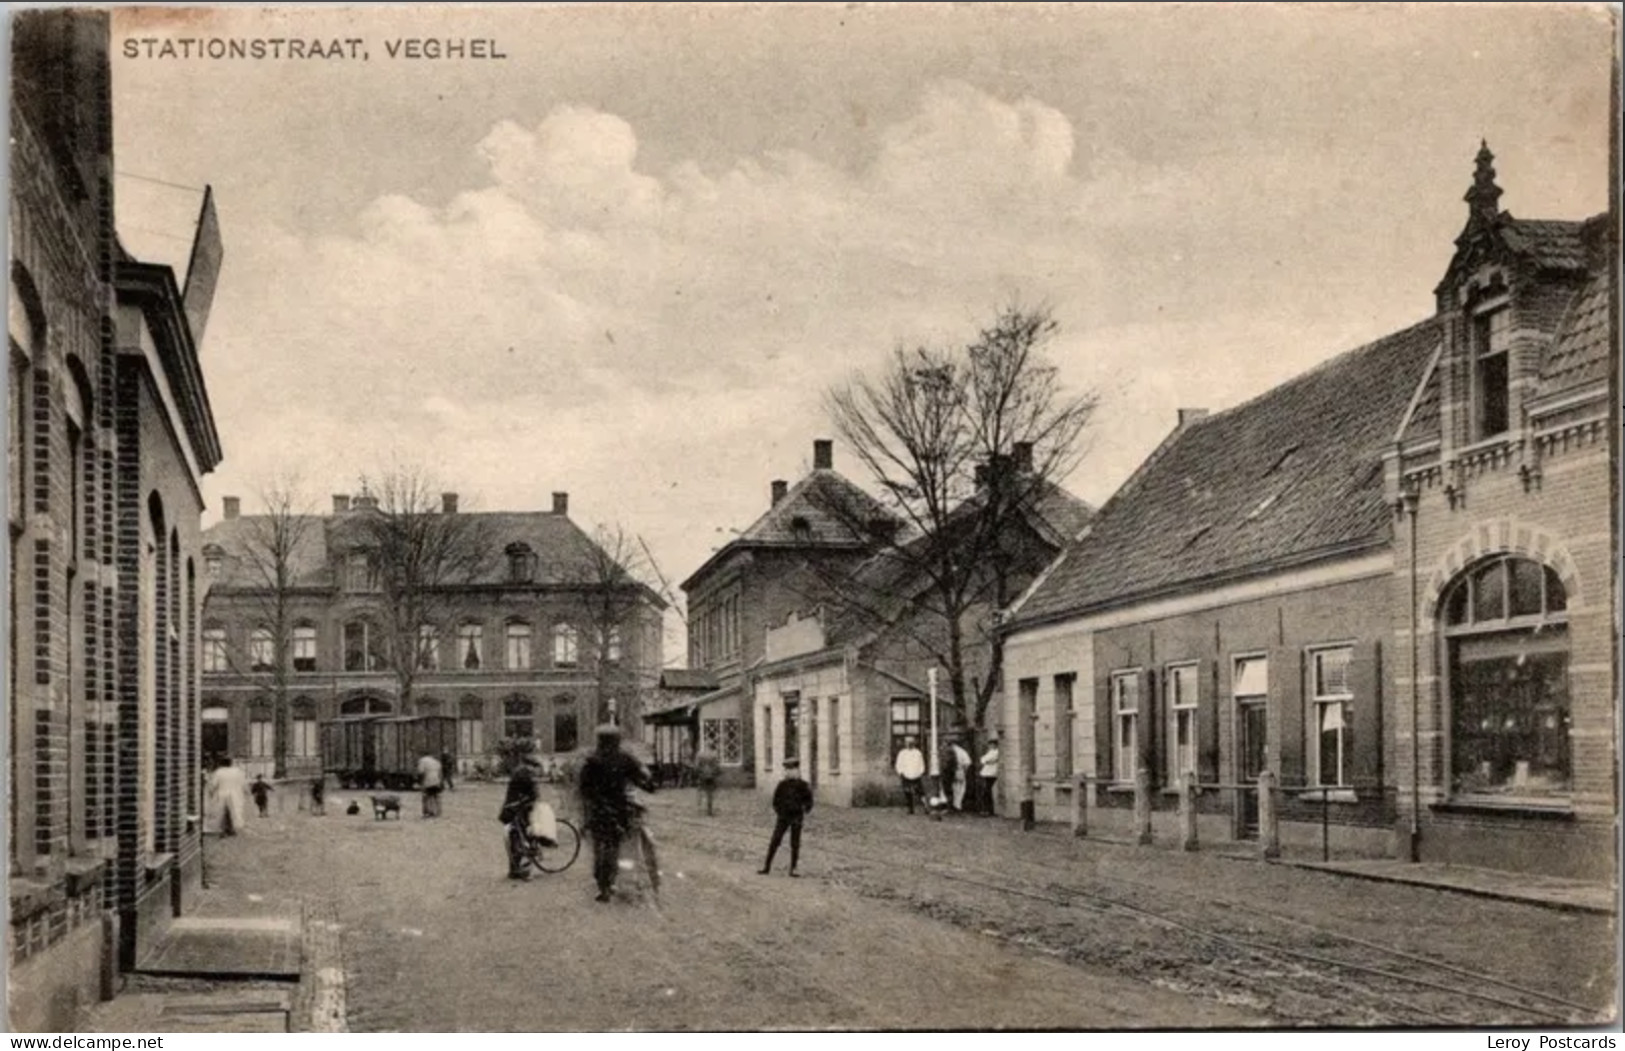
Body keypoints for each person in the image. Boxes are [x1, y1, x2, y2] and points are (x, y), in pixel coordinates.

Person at [577, 724, 656, 902]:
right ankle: (611, 880)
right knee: (613, 846)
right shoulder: (625, 759)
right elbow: (643, 780)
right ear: (617, 740)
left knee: (599, 847)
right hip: (618, 809)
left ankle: (602, 884)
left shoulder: (591, 760)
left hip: (598, 810)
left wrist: (587, 809)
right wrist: (649, 782)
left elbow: (584, 790)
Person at [759, 758, 814, 877]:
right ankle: (766, 866)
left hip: (796, 817)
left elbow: (809, 801)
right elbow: (775, 801)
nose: (789, 772)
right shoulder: (782, 785)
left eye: (791, 769)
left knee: (795, 843)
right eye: (787, 770)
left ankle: (793, 868)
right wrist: (779, 812)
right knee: (775, 840)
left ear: (797, 770)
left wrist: (805, 809)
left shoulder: (803, 785)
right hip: (783, 817)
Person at [499, 754, 542, 880]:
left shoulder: (519, 772)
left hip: (512, 809)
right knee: (520, 839)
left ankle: (515, 869)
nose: (536, 771)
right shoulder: (526, 774)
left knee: (516, 839)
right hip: (517, 810)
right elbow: (533, 794)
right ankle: (520, 870)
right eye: (535, 767)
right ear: (531, 765)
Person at [208, 757, 248, 836]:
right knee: (234, 812)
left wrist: (211, 793)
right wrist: (245, 792)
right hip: (236, 794)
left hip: (222, 794)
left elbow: (213, 784)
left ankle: (225, 829)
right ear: (231, 763)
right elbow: (244, 784)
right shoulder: (238, 772)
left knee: (223, 812)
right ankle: (231, 828)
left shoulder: (218, 772)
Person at [894, 737, 926, 815]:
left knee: (920, 792)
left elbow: (921, 764)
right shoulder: (902, 753)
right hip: (906, 775)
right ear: (905, 743)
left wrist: (920, 772)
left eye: (911, 742)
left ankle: (926, 806)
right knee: (907, 792)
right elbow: (898, 764)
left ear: (914, 743)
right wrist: (901, 772)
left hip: (916, 775)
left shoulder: (918, 753)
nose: (909, 744)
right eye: (907, 742)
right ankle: (910, 809)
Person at [694, 747, 721, 817]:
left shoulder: (699, 754)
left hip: (702, 775)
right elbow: (717, 766)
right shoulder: (714, 754)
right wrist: (716, 773)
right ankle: (709, 810)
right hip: (711, 776)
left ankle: (699, 807)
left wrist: (698, 773)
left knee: (700, 790)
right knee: (710, 793)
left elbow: (696, 766)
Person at [417, 753, 444, 817]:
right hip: (437, 781)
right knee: (436, 796)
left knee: (427, 796)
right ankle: (438, 811)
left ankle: (428, 811)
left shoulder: (422, 760)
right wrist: (441, 782)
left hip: (428, 781)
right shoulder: (436, 761)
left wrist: (420, 782)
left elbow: (420, 772)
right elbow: (441, 773)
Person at [950, 739, 973, 813]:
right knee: (960, 787)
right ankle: (958, 804)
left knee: (955, 787)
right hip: (960, 770)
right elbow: (967, 762)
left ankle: (955, 804)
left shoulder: (951, 751)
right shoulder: (962, 751)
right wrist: (964, 770)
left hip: (953, 770)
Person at [979, 737, 1000, 816]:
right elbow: (982, 759)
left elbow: (987, 760)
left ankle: (988, 810)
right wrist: (984, 760)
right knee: (986, 792)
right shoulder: (991, 751)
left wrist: (985, 760)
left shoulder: (996, 752)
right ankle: (986, 810)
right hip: (986, 772)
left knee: (986, 791)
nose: (991, 746)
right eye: (990, 744)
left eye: (992, 744)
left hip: (991, 773)